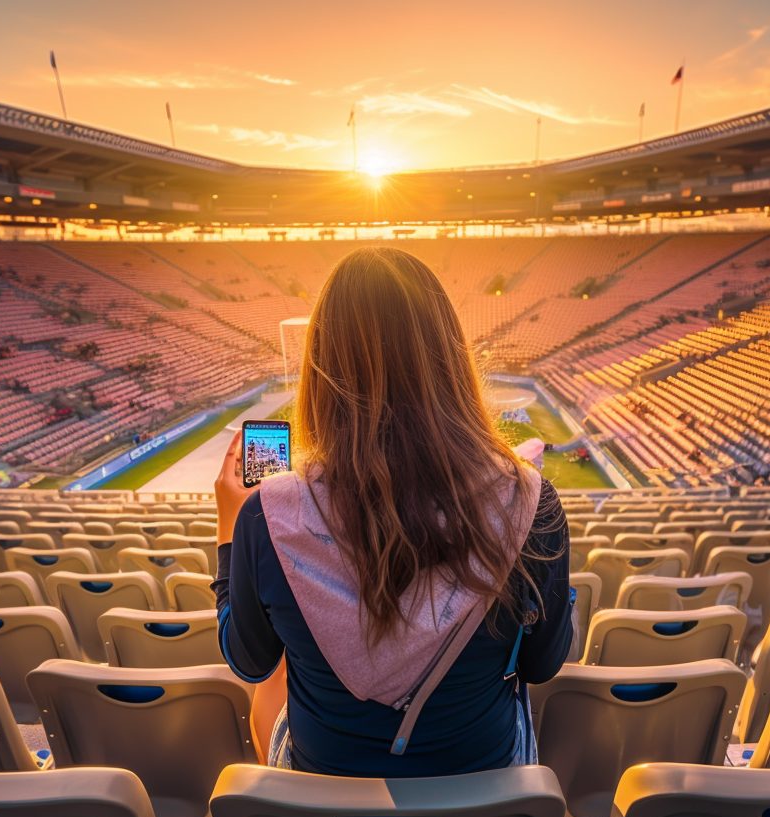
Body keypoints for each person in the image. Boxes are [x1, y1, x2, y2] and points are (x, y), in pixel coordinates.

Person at [212, 247, 571, 777]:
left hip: (322, 794)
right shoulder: (531, 498)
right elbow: (545, 662)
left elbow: (247, 659)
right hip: (485, 795)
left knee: (278, 676)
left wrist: (230, 527)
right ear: (449, 360)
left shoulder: (266, 514)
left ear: (321, 369)